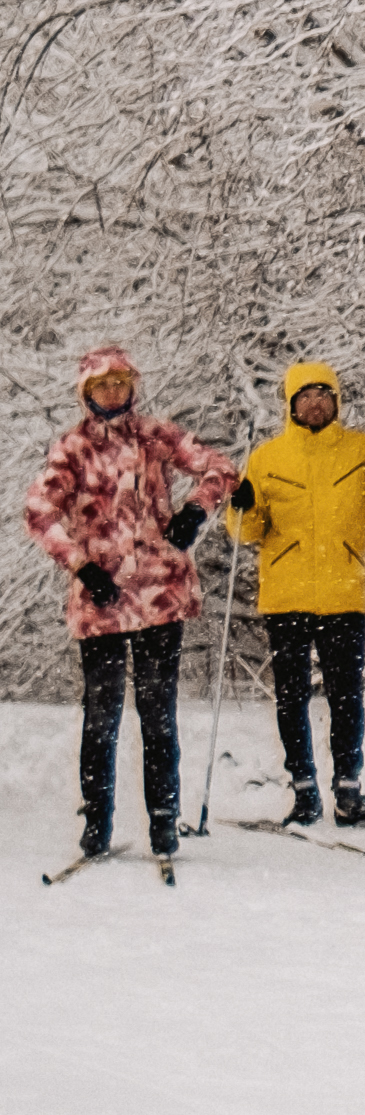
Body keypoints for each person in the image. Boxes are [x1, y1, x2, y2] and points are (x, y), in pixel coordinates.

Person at [23, 346, 239, 861]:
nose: (113, 393)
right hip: (101, 599)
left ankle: (164, 820)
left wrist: (196, 508)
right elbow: (39, 511)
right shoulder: (72, 449)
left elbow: (220, 467)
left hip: (161, 593)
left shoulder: (156, 435)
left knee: (158, 713)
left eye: (121, 383)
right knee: (101, 715)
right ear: (87, 394)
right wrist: (79, 563)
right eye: (103, 386)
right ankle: (97, 820)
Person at [226, 361, 365, 826]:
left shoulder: (359, 450)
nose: (315, 404)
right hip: (286, 593)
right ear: (290, 405)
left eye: (323, 395)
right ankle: (304, 789)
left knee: (345, 695)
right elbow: (246, 532)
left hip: (342, 591)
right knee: (291, 697)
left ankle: (348, 790)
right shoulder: (267, 458)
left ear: (336, 400)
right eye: (305, 397)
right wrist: (241, 507)